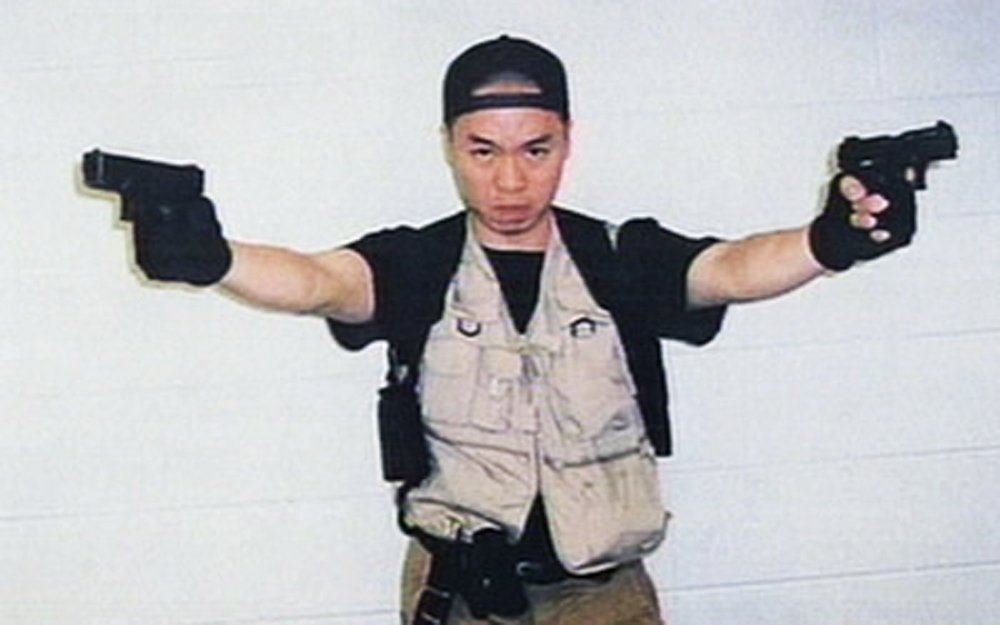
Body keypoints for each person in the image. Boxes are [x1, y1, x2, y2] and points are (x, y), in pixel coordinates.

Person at [113, 35, 916, 625]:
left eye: (536, 149)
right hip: (457, 594)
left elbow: (733, 267)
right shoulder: (418, 263)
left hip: (604, 598)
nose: (509, 179)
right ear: (449, 147)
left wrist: (833, 240)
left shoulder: (618, 257)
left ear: (568, 141)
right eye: (482, 150)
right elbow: (320, 281)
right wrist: (213, 258)